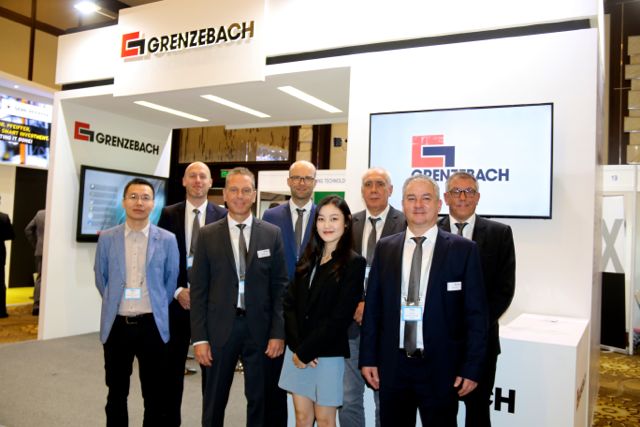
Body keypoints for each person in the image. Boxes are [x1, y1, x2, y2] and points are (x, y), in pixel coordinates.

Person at [359, 174, 488, 426]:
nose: (418, 205)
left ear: (439, 204)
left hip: (442, 367)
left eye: (426, 198)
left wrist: (471, 367)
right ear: (403, 204)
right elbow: (373, 309)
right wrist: (368, 358)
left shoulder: (463, 250)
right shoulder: (385, 248)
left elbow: (476, 315)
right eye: (411, 198)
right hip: (393, 366)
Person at [190, 167, 288, 427]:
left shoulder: (271, 233)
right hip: (220, 330)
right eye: (234, 190)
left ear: (254, 195)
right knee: (214, 400)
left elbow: (280, 288)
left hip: (260, 331)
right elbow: (198, 290)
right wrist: (199, 338)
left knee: (260, 400)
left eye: (246, 190)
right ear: (224, 194)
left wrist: (278, 332)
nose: (240, 196)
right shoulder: (207, 234)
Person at [94, 178, 180, 426]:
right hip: (117, 325)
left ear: (153, 204)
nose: (139, 203)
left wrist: (155, 304)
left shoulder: (167, 239)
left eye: (145, 198)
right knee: (116, 392)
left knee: (154, 395)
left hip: (152, 326)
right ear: (124, 202)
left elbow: (170, 280)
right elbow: (101, 278)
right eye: (133, 197)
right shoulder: (107, 238)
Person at [279, 196, 366, 427]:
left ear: (346, 223)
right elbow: (289, 304)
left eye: (334, 219)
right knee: (301, 417)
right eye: (321, 219)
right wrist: (298, 347)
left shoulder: (354, 263)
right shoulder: (308, 257)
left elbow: (340, 317)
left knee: (326, 419)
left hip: (327, 353)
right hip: (297, 348)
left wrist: (307, 351)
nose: (327, 225)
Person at [438, 171, 516, 427]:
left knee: (479, 411)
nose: (463, 197)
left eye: (469, 191)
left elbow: (504, 290)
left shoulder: (499, 234)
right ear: (446, 197)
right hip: (440, 343)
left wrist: (474, 326)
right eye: (456, 191)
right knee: (441, 411)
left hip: (481, 343)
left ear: (478, 197)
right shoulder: (430, 231)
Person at [158, 162, 227, 426]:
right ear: (184, 181)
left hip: (210, 308)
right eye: (192, 176)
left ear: (211, 183)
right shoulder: (168, 214)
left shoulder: (223, 215)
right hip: (178, 304)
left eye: (203, 176)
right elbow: (160, 260)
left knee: (212, 375)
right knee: (170, 374)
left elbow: (226, 263)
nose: (198, 180)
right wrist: (177, 290)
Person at [340, 167, 406, 427]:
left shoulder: (406, 223)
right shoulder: (348, 223)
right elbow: (340, 271)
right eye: (368, 184)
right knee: (348, 397)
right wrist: (355, 304)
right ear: (362, 191)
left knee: (385, 397)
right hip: (351, 324)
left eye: (380, 184)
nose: (374, 189)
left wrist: (371, 305)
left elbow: (405, 276)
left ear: (390, 190)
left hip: (387, 326)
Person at [262, 159, 318, 426]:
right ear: (288, 181)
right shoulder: (271, 216)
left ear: (315, 183)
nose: (301, 183)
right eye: (296, 178)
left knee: (309, 382)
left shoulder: (325, 216)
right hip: (278, 308)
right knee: (273, 382)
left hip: (312, 309)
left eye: (307, 178)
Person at [24, 209, 45, 316]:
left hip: (40, 250)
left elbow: (28, 229)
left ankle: (37, 305)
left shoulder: (40, 213)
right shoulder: (59, 213)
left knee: (40, 278)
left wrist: (36, 244)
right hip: (55, 252)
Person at [0, 196, 15, 319]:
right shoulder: (4, 217)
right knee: (0, 282)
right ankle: (1, 311)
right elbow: (11, 235)